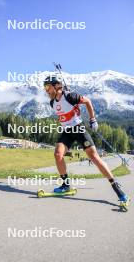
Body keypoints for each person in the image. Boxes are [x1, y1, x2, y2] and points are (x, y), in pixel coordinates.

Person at [43, 75, 130, 204]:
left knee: (94, 157)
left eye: (47, 87)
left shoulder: (70, 96)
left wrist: (92, 119)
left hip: (78, 129)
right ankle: (66, 185)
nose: (46, 91)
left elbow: (88, 101)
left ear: (56, 86)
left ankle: (116, 186)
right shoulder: (52, 103)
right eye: (45, 88)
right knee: (57, 154)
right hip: (67, 132)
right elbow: (63, 114)